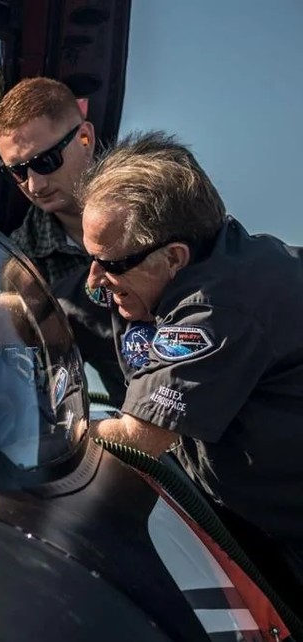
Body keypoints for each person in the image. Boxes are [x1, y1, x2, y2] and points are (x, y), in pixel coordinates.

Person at [80, 130, 303, 605]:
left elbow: (140, 439)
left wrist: (36, 432)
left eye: (108, 263)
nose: (94, 280)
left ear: (173, 257)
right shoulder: (170, 273)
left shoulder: (221, 305)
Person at [0, 77, 124, 404]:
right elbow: (34, 377)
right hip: (141, 433)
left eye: (45, 161)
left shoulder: (154, 198)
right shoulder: (23, 262)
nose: (35, 185)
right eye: (19, 172)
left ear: (84, 138)